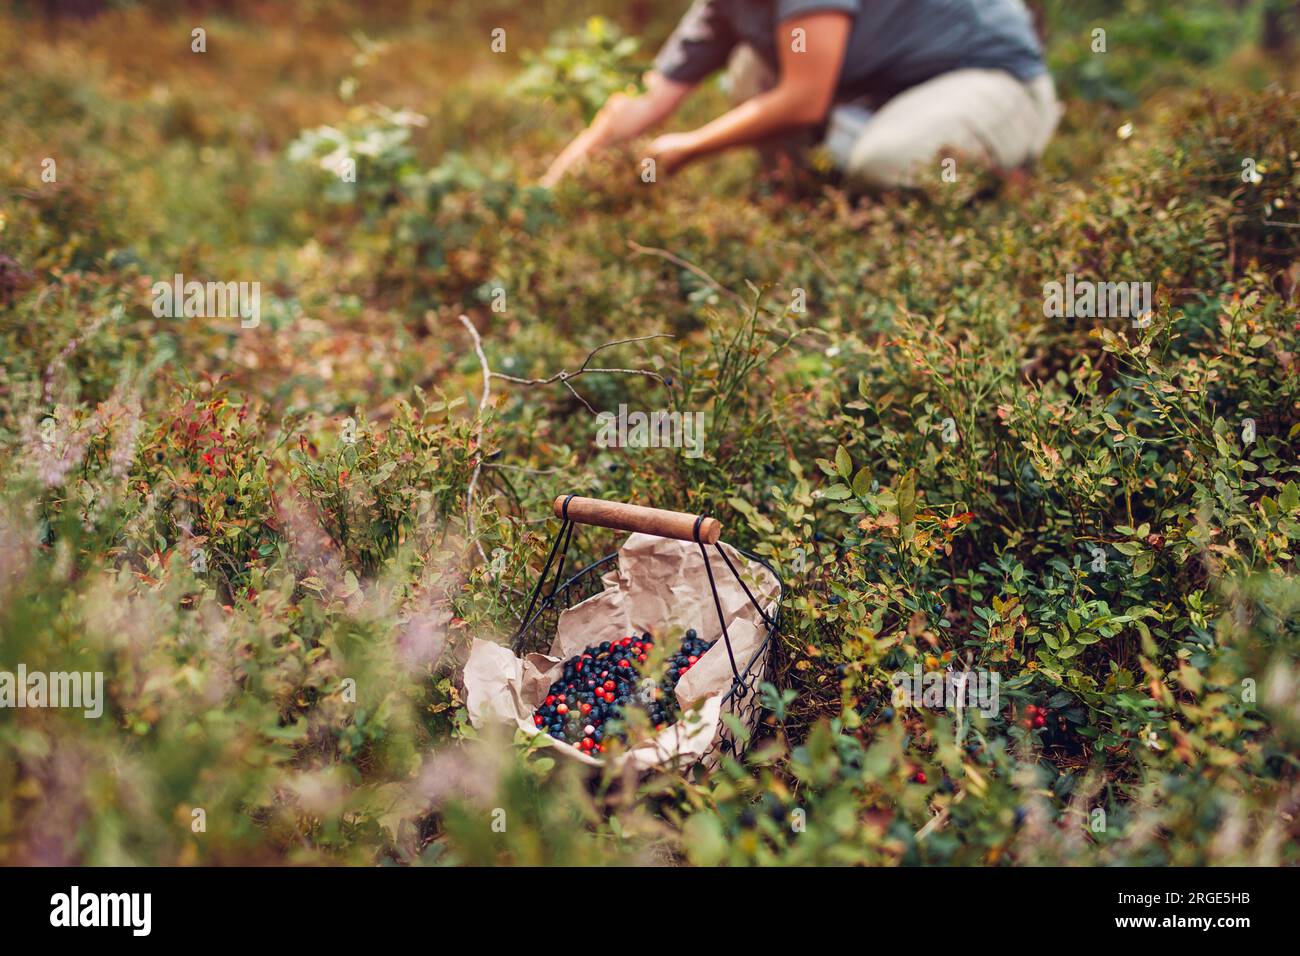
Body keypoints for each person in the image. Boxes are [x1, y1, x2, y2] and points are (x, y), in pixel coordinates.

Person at [541, 0, 1062, 190]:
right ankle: (805, 193)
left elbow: (805, 97)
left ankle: (1004, 178)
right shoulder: (723, 6)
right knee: (751, 64)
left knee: (885, 161)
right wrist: (549, 188)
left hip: (995, 81)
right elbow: (647, 97)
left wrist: (686, 149)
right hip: (883, 95)